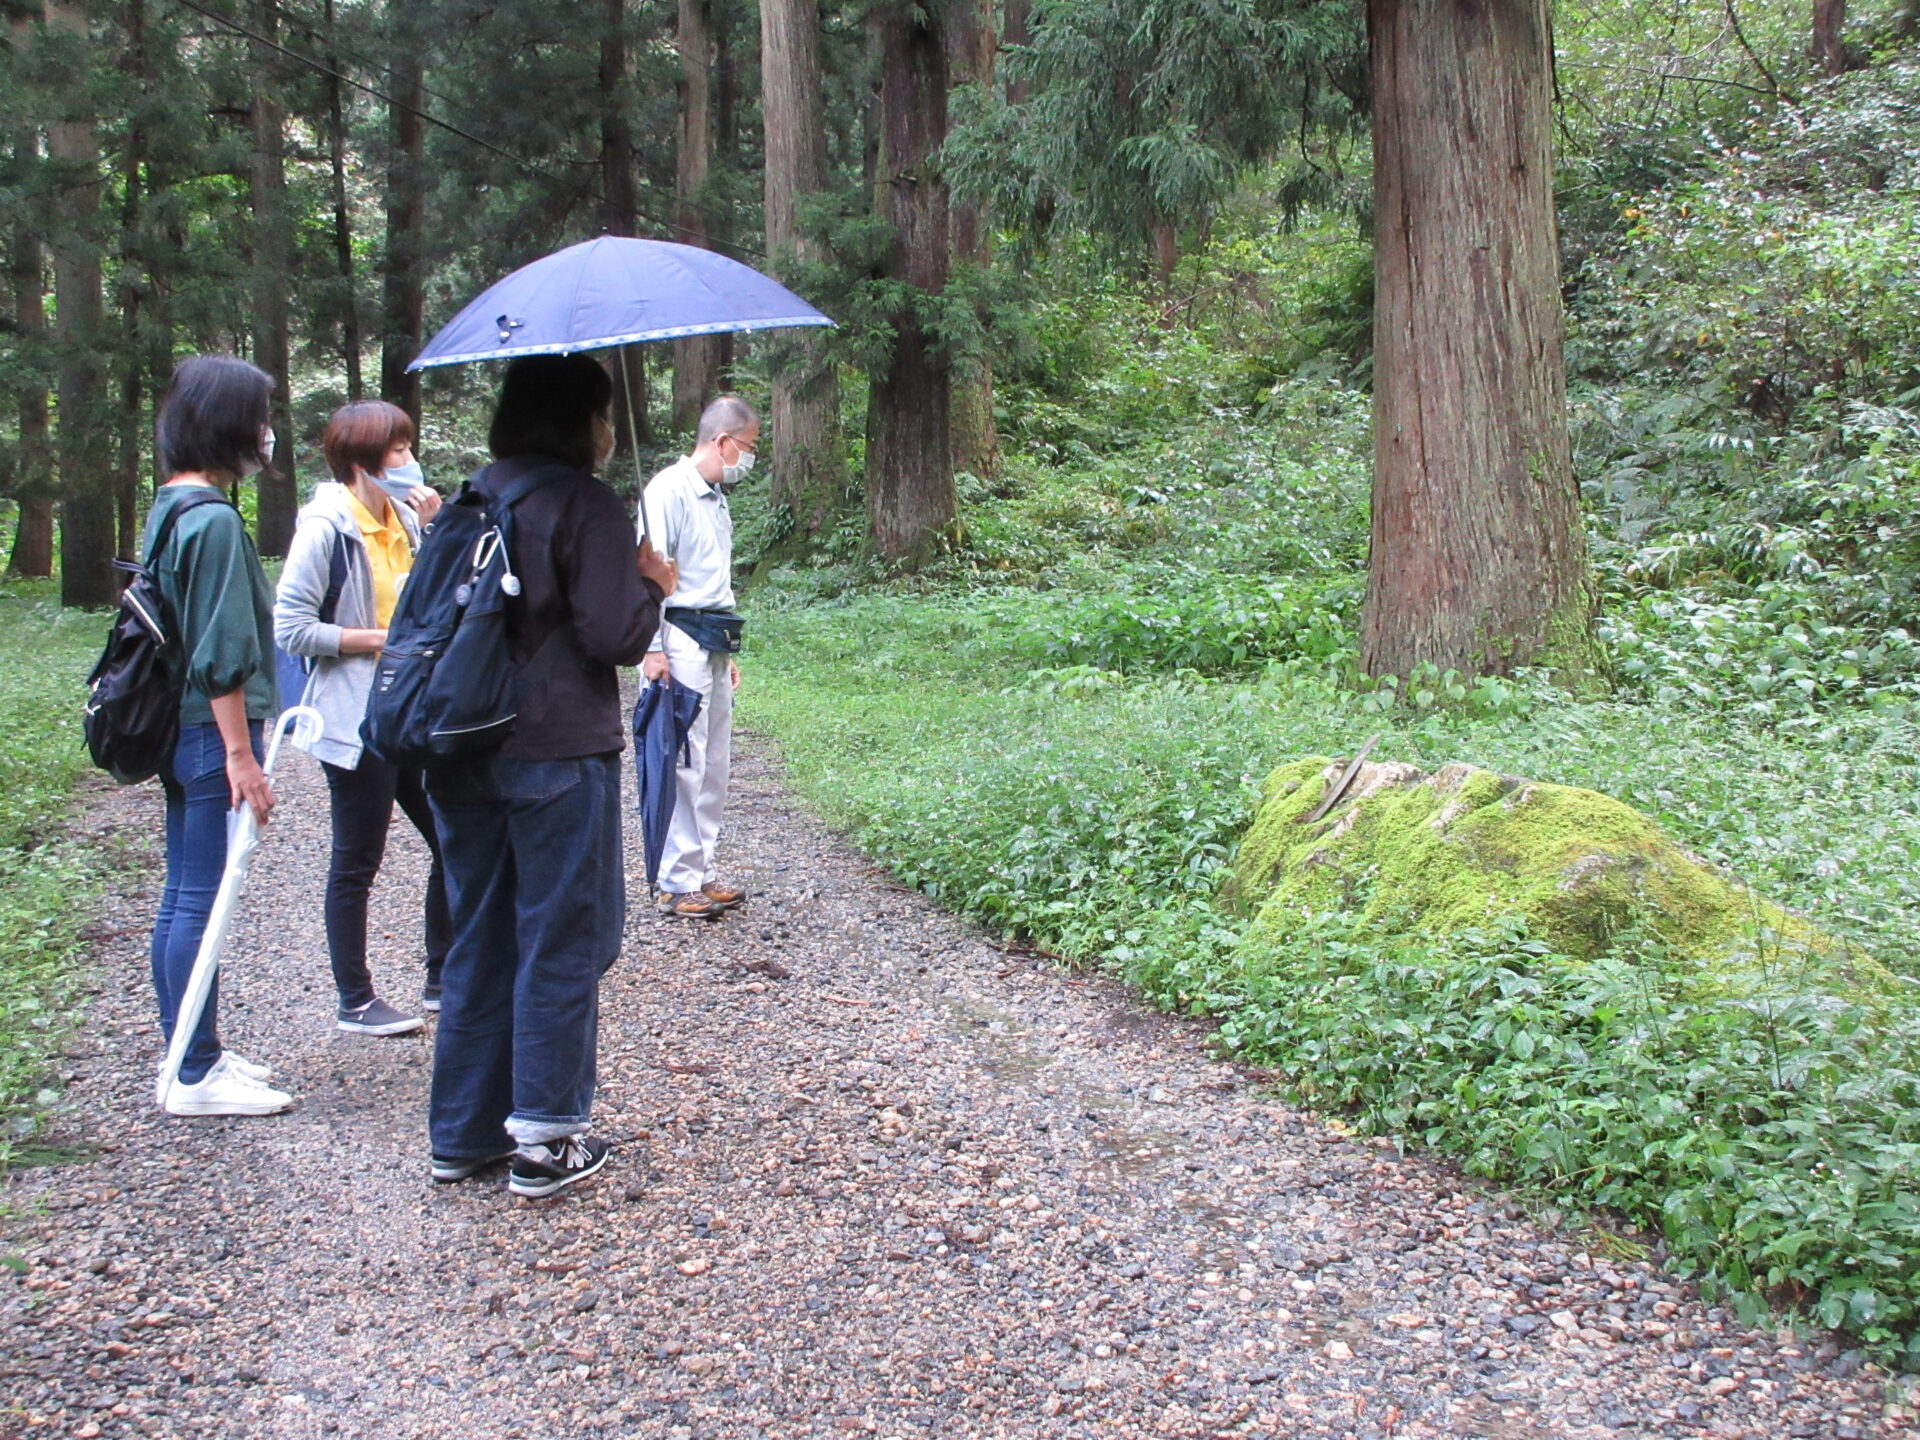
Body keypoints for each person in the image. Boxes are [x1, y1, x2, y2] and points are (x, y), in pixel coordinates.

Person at [426, 353, 673, 1197]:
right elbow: (615, 636)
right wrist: (651, 584)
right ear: (580, 423)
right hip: (557, 752)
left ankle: (461, 1133)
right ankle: (545, 1139)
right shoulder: (585, 502)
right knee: (562, 937)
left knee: (481, 932)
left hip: (461, 745)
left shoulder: (470, 495)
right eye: (603, 416)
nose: (609, 432)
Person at [275, 400, 449, 1038]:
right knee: (357, 858)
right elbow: (291, 629)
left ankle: (442, 977)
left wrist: (434, 531)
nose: (407, 461)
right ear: (359, 462)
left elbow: (427, 603)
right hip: (354, 716)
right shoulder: (326, 527)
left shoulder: (404, 516)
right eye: (395, 452)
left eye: (407, 447)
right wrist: (375, 640)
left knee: (452, 838)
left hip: (412, 710)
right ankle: (356, 998)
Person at [145, 356, 292, 1117]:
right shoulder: (212, 523)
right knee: (201, 897)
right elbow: (221, 655)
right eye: (261, 417)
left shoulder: (168, 507)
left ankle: (188, 1045)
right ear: (229, 423)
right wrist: (242, 756)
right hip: (209, 734)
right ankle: (194, 1070)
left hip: (178, 726)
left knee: (180, 894)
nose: (268, 434)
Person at [640, 395, 756, 921]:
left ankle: (701, 868)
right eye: (748, 447)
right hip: (677, 636)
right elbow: (649, 573)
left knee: (714, 762)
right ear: (722, 441)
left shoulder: (716, 497)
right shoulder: (666, 489)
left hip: (713, 636)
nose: (748, 459)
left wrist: (726, 650)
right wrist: (650, 647)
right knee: (682, 758)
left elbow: (714, 579)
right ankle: (673, 880)